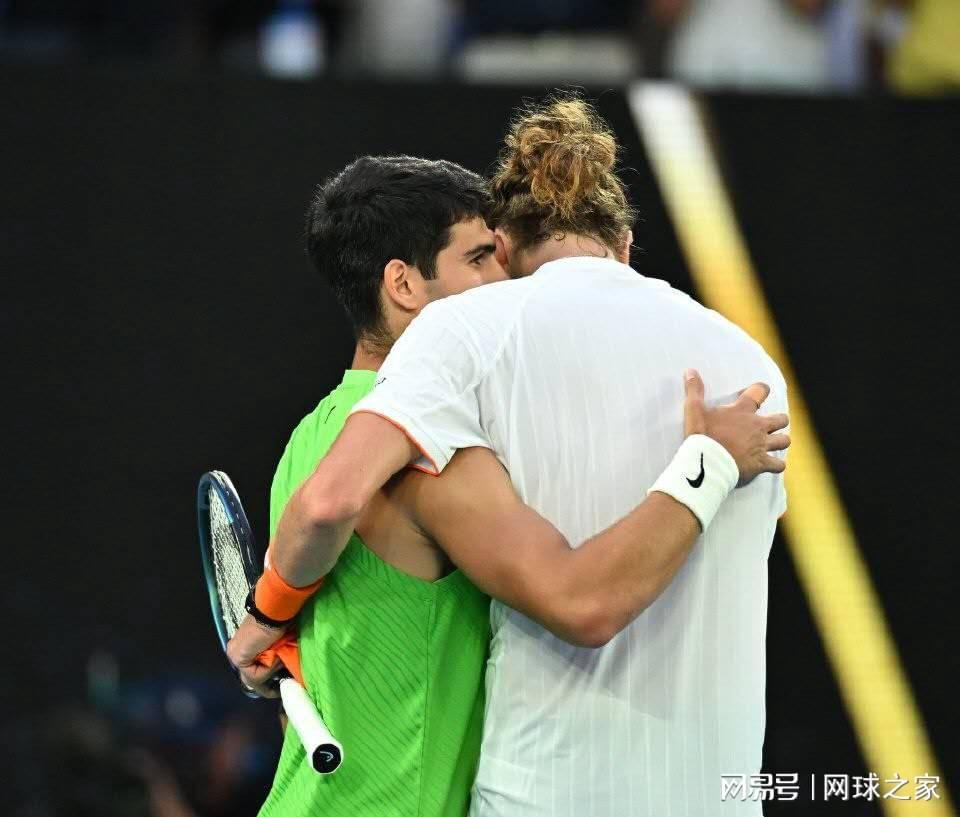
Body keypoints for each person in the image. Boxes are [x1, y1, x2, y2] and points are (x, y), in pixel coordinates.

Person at [230, 98, 789, 816]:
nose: (496, 281)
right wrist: (706, 461)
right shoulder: (748, 363)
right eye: (477, 260)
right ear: (624, 241)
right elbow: (577, 598)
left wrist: (267, 611)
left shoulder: (313, 436)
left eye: (493, 255)